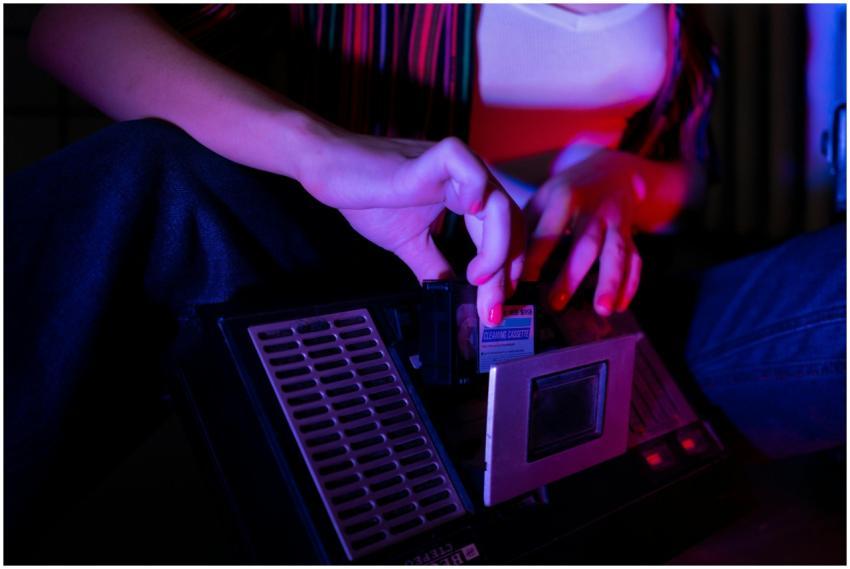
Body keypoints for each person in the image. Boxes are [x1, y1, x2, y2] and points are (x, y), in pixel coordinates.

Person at [6, 3, 843, 559]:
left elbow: (686, 176)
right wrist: (319, 149)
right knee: (142, 176)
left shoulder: (678, 18)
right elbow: (67, 23)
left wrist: (613, 178)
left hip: (594, 322)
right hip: (349, 296)